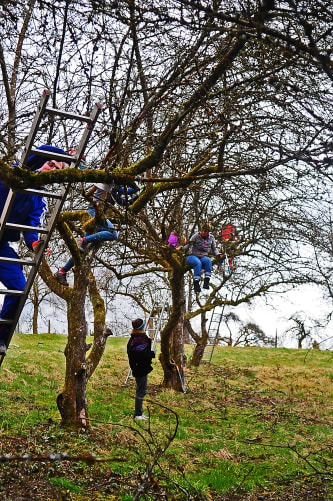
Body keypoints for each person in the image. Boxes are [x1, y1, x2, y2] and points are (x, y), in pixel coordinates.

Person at [0, 145, 67, 354]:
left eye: (57, 169)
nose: (51, 170)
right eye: (50, 164)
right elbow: (36, 153)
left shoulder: (39, 197)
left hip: (1, 246)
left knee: (20, 288)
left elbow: (32, 225)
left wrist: (35, 243)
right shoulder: (13, 173)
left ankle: (0, 337)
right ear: (39, 162)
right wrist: (65, 156)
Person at [54, 181, 140, 286]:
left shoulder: (115, 192)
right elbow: (127, 191)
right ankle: (83, 240)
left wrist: (140, 193)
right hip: (93, 213)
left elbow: (125, 202)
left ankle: (61, 272)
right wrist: (139, 187)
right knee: (113, 234)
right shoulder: (109, 182)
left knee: (82, 250)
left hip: (97, 215)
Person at [127, 318, 155, 420]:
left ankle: (139, 412)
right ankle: (138, 414)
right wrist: (152, 354)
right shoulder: (140, 339)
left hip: (137, 367)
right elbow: (141, 354)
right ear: (142, 327)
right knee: (141, 391)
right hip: (141, 368)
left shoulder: (134, 338)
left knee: (141, 390)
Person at [182, 222, 221, 293]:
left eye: (205, 231)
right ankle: (196, 283)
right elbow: (188, 245)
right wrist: (181, 249)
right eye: (202, 230)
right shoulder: (196, 236)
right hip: (192, 256)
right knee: (198, 263)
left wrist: (218, 254)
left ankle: (206, 281)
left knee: (208, 261)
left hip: (203, 256)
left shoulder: (211, 238)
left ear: (208, 232)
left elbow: (214, 249)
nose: (203, 232)